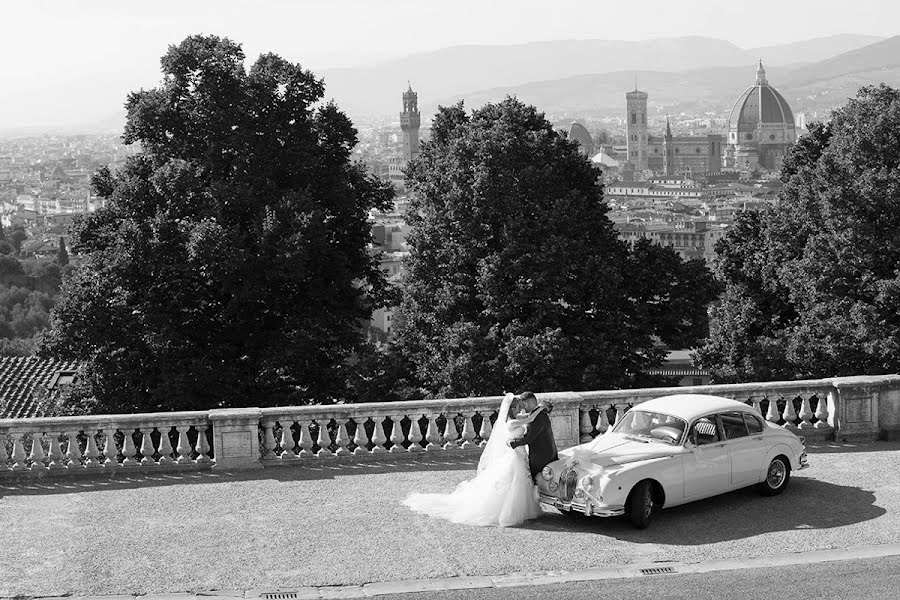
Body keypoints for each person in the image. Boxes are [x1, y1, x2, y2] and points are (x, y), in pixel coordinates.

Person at [402, 392, 542, 527]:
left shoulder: (514, 420)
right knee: (515, 482)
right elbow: (529, 419)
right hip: (515, 455)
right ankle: (511, 512)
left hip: (519, 453)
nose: (521, 408)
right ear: (512, 408)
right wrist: (540, 409)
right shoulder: (512, 423)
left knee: (519, 481)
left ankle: (523, 510)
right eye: (518, 406)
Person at [508, 392, 558, 480]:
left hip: (542, 457)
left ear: (529, 403)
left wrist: (513, 442)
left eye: (523, 404)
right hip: (538, 455)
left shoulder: (538, 417)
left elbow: (529, 438)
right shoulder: (535, 414)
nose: (522, 407)